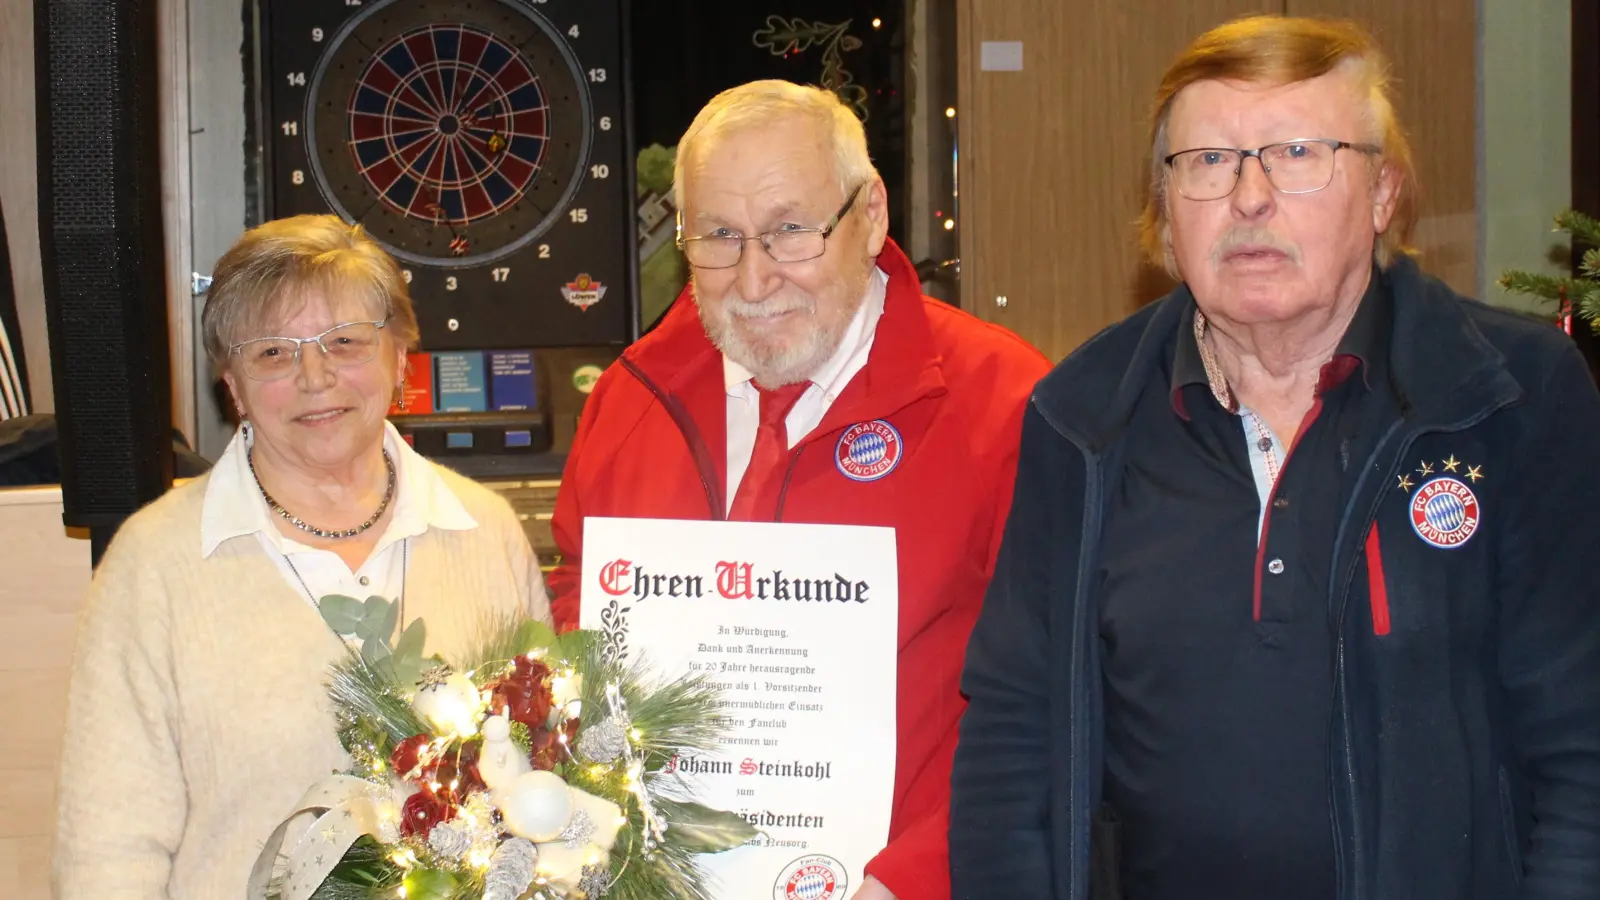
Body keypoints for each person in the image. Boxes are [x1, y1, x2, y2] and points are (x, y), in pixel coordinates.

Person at [950, 14, 1600, 900]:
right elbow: (1012, 739)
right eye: (1208, 162)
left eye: (1298, 152)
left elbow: (1581, 745)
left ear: (1382, 194)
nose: (1249, 197)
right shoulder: (1082, 417)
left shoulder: (1510, 399)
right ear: (1165, 213)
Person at [547, 80, 1050, 900]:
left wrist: (915, 877)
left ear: (872, 215)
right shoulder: (633, 396)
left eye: (788, 231)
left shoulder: (1004, 402)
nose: (752, 281)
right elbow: (578, 600)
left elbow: (1048, 701)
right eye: (719, 236)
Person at [52, 214, 551, 899]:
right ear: (232, 385)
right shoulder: (155, 564)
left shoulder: (485, 531)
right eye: (273, 353)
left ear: (400, 355)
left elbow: (549, 784)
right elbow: (107, 851)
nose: (315, 376)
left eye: (344, 342)